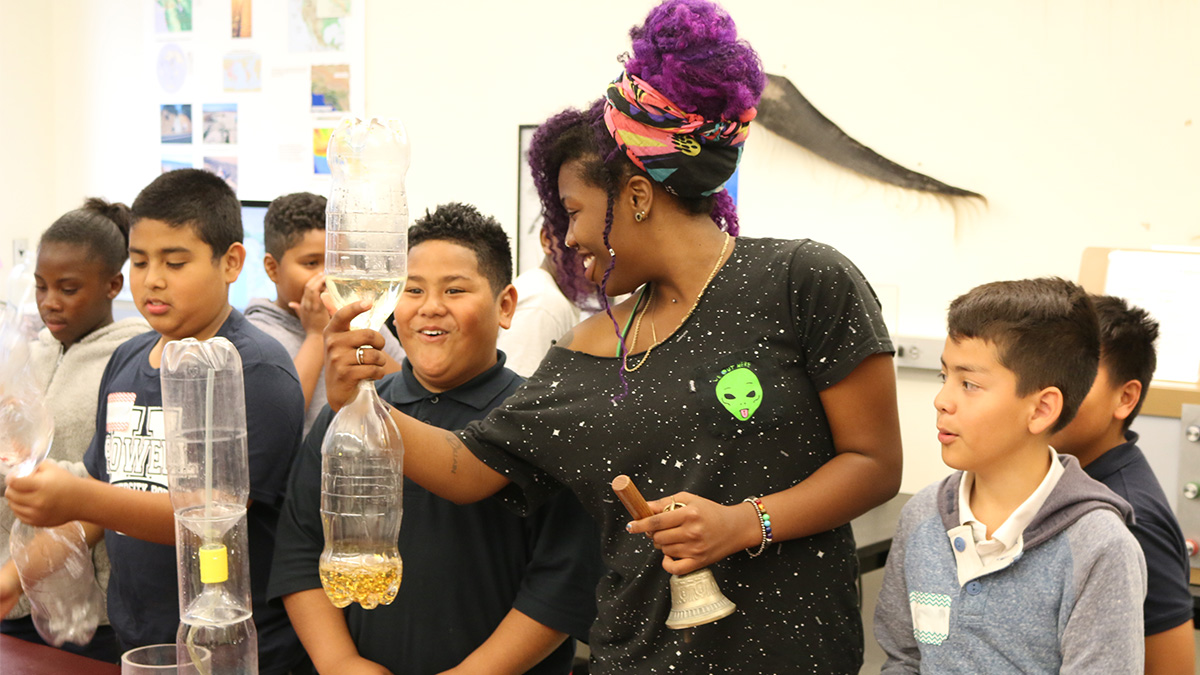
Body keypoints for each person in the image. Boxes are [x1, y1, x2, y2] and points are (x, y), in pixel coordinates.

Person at [321, 2, 902, 672]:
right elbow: (464, 468)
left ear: (636, 194)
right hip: (639, 654)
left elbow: (875, 462)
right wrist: (360, 398)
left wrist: (747, 521)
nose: (568, 239)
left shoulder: (802, 281)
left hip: (792, 653)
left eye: (572, 212)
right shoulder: (588, 349)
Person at [270, 202, 602, 675]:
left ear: (505, 305)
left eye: (455, 289)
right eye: (412, 289)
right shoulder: (346, 415)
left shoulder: (537, 419)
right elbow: (301, 549)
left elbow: (563, 581)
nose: (430, 306)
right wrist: (339, 661)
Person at [2, 169, 308, 674]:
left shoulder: (255, 369)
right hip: (141, 641)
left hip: (234, 648)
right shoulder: (126, 360)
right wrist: (14, 577)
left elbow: (211, 518)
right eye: (140, 261)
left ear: (231, 262)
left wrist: (78, 496)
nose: (153, 279)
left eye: (175, 261)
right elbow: (104, 503)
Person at [875, 278, 1147, 673]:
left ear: (1040, 410)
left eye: (969, 384)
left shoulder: (1100, 548)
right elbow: (904, 660)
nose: (942, 400)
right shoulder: (921, 518)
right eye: (943, 377)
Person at [0, 199, 148, 662]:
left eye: (67, 288)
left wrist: (39, 473)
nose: (50, 302)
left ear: (112, 285)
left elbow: (116, 483)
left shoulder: (131, 361)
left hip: (93, 613)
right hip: (13, 595)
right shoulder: (30, 354)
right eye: (41, 287)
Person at [1050, 295, 1194, 675]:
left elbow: (1172, 668)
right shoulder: (1059, 477)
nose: (1048, 394)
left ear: (1125, 397)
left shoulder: (1132, 516)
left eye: (1078, 376)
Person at [245, 191, 404, 435]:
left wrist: (359, 330)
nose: (328, 276)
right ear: (272, 268)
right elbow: (280, 420)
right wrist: (316, 334)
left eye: (338, 262)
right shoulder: (258, 334)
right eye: (311, 263)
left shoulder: (361, 317)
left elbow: (406, 390)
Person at [496, 224, 593, 377]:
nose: (592, 259)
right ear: (548, 239)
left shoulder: (548, 295)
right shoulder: (542, 303)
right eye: (581, 244)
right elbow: (517, 393)